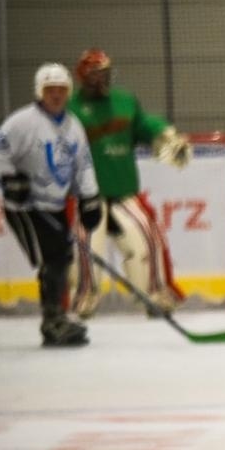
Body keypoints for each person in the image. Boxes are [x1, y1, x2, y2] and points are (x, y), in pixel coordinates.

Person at [0, 62, 104, 347]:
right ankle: (53, 322)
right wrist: (10, 180)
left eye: (61, 89)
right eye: (50, 90)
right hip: (25, 208)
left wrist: (90, 197)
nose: (56, 95)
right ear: (40, 91)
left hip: (55, 204)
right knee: (54, 258)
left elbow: (83, 164)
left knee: (61, 257)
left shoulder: (74, 126)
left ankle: (57, 317)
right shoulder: (22, 122)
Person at [67, 48, 192, 316]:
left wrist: (165, 136)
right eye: (95, 74)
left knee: (147, 241)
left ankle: (155, 296)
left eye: (105, 73)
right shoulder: (70, 109)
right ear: (82, 77)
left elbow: (145, 126)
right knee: (85, 250)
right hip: (88, 197)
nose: (101, 79)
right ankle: (84, 298)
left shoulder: (124, 102)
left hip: (124, 191)